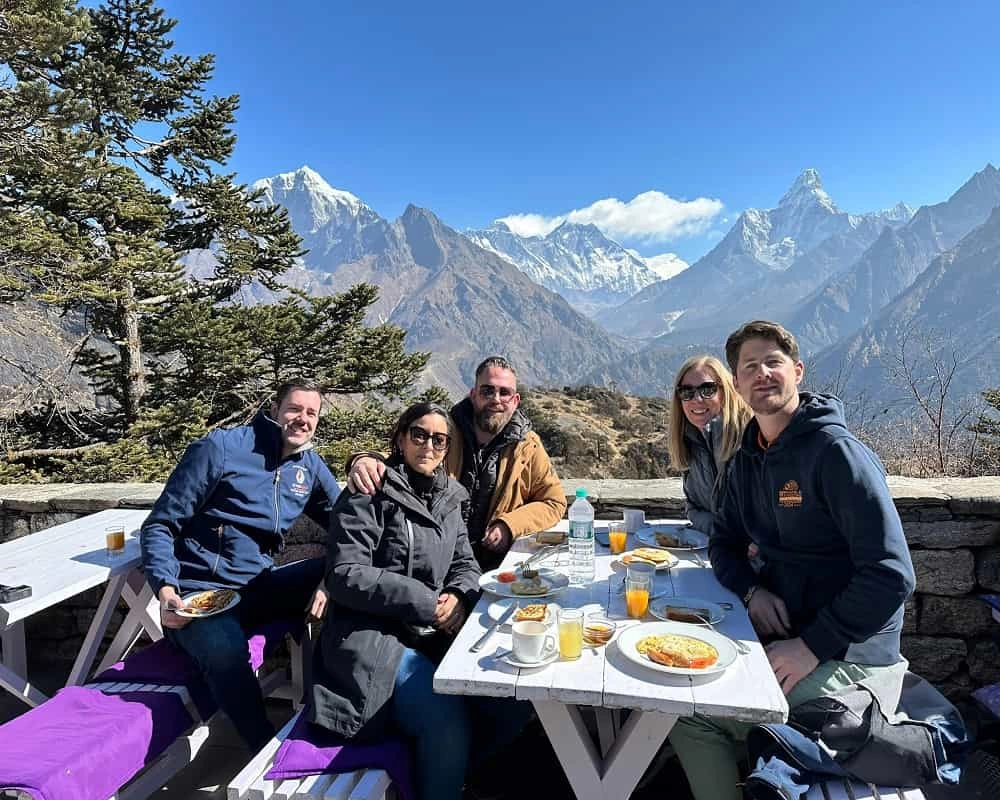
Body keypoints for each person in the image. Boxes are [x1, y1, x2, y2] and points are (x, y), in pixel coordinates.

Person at [669, 321, 916, 800]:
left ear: (797, 372)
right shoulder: (750, 459)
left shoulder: (836, 454)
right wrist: (751, 590)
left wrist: (812, 645)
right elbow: (723, 541)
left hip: (852, 658)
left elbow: (891, 574)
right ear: (737, 385)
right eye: (750, 367)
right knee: (685, 685)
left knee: (695, 714)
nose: (762, 373)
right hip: (789, 638)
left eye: (773, 362)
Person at [140, 381, 340, 751]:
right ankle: (265, 750)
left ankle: (336, 715)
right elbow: (160, 525)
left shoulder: (307, 465)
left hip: (257, 587)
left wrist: (330, 580)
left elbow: (349, 523)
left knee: (349, 580)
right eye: (295, 409)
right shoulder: (221, 449)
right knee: (225, 650)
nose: (303, 420)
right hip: (201, 595)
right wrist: (166, 589)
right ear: (275, 408)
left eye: (312, 413)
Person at [309, 402, 481, 800]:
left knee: (507, 705)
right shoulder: (368, 490)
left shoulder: (451, 497)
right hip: (369, 638)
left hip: (427, 633)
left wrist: (456, 596)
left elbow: (465, 562)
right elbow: (344, 574)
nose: (429, 446)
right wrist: (426, 601)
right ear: (401, 438)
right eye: (419, 434)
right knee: (445, 715)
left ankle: (440, 774)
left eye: (439, 440)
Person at [348, 356, 566, 570]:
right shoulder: (444, 431)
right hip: (439, 563)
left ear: (516, 400)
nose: (496, 399)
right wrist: (366, 459)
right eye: (487, 391)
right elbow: (406, 450)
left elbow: (553, 502)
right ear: (473, 395)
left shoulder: (528, 447)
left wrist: (510, 525)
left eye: (504, 392)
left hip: (495, 567)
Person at [666, 354, 751, 537]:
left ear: (725, 391)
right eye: (686, 392)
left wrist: (725, 534)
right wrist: (720, 532)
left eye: (707, 389)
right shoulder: (691, 440)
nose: (696, 399)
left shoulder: (749, 438)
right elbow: (693, 508)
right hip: (718, 550)